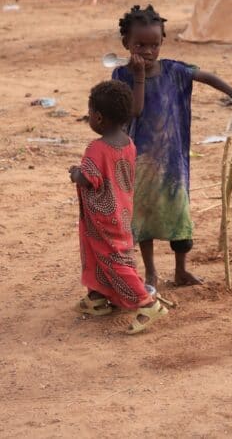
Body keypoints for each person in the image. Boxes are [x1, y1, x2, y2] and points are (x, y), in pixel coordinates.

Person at [112, 4, 232, 288]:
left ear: (162, 42)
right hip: (140, 161)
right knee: (143, 216)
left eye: (154, 45)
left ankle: (180, 270)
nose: (147, 51)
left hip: (172, 161)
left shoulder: (173, 70)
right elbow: (134, 110)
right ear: (126, 43)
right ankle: (150, 271)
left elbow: (205, 76)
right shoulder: (122, 77)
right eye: (140, 45)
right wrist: (138, 76)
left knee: (179, 215)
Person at [69, 80, 169, 334]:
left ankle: (148, 303)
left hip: (103, 217)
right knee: (101, 254)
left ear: (99, 117)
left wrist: (75, 173)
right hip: (121, 212)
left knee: (114, 260)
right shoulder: (128, 142)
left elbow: (89, 178)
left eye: (90, 112)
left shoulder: (97, 148)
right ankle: (98, 297)